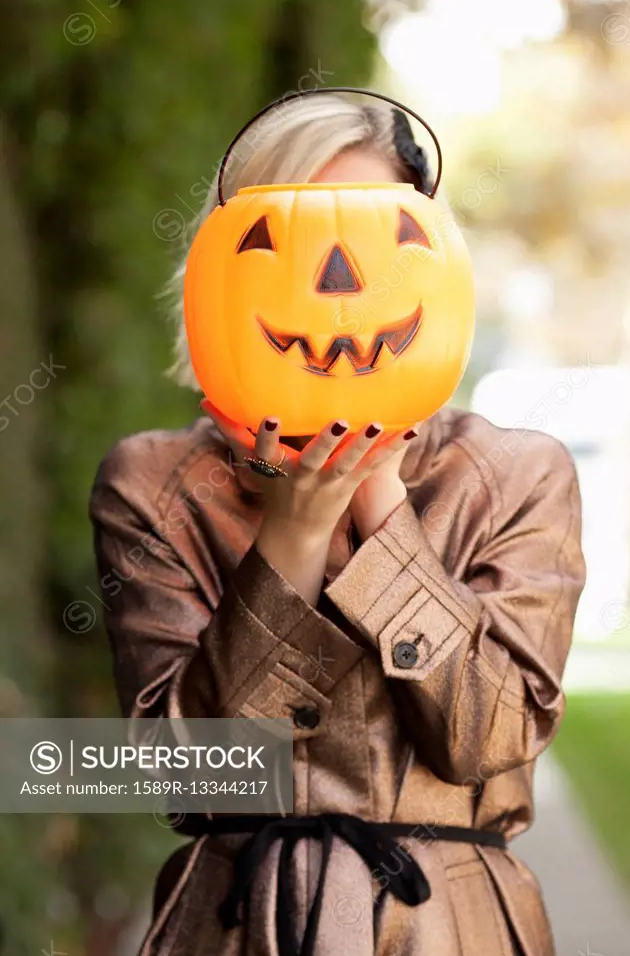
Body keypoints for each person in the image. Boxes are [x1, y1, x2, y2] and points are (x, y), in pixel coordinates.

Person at [89, 90, 586, 956]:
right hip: (236, 925)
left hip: (449, 931)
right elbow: (174, 770)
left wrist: (382, 510)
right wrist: (291, 538)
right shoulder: (156, 483)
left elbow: (492, 742)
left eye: (370, 238)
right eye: (287, 242)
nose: (338, 288)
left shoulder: (514, 476)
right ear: (221, 266)